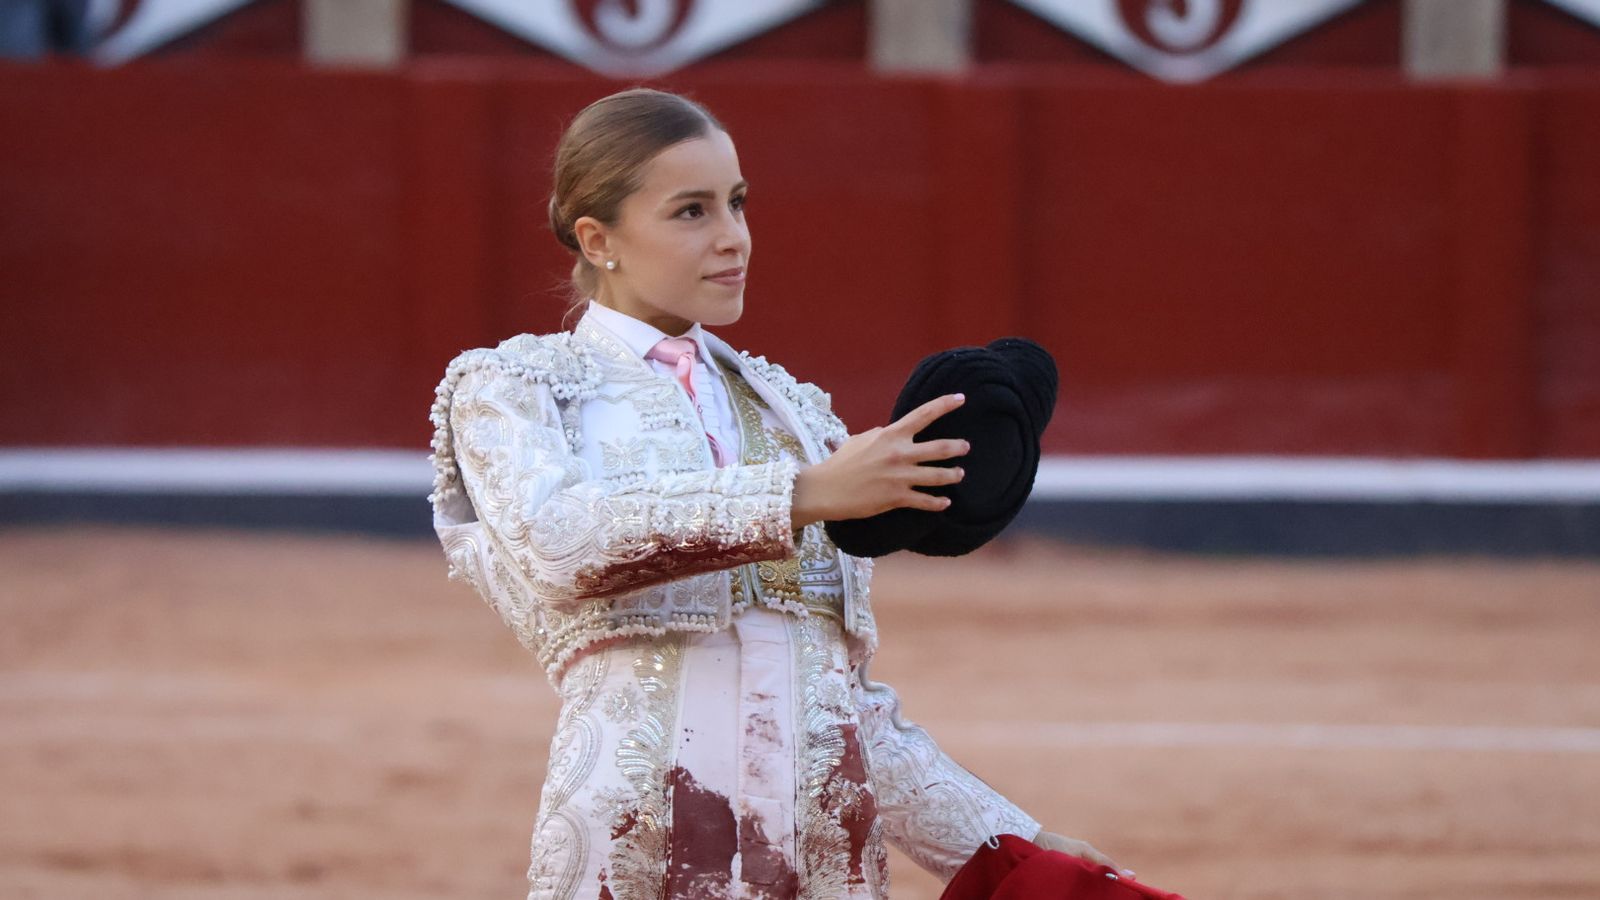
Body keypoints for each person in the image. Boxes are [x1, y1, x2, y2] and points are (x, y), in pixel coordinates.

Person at [427, 87, 1121, 899]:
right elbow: (556, 544)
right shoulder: (518, 388)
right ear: (598, 238)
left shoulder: (795, 417)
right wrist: (797, 496)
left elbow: (840, 706)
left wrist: (1009, 840)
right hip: (634, 853)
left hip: (818, 867)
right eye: (692, 211)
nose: (733, 237)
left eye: (738, 203)